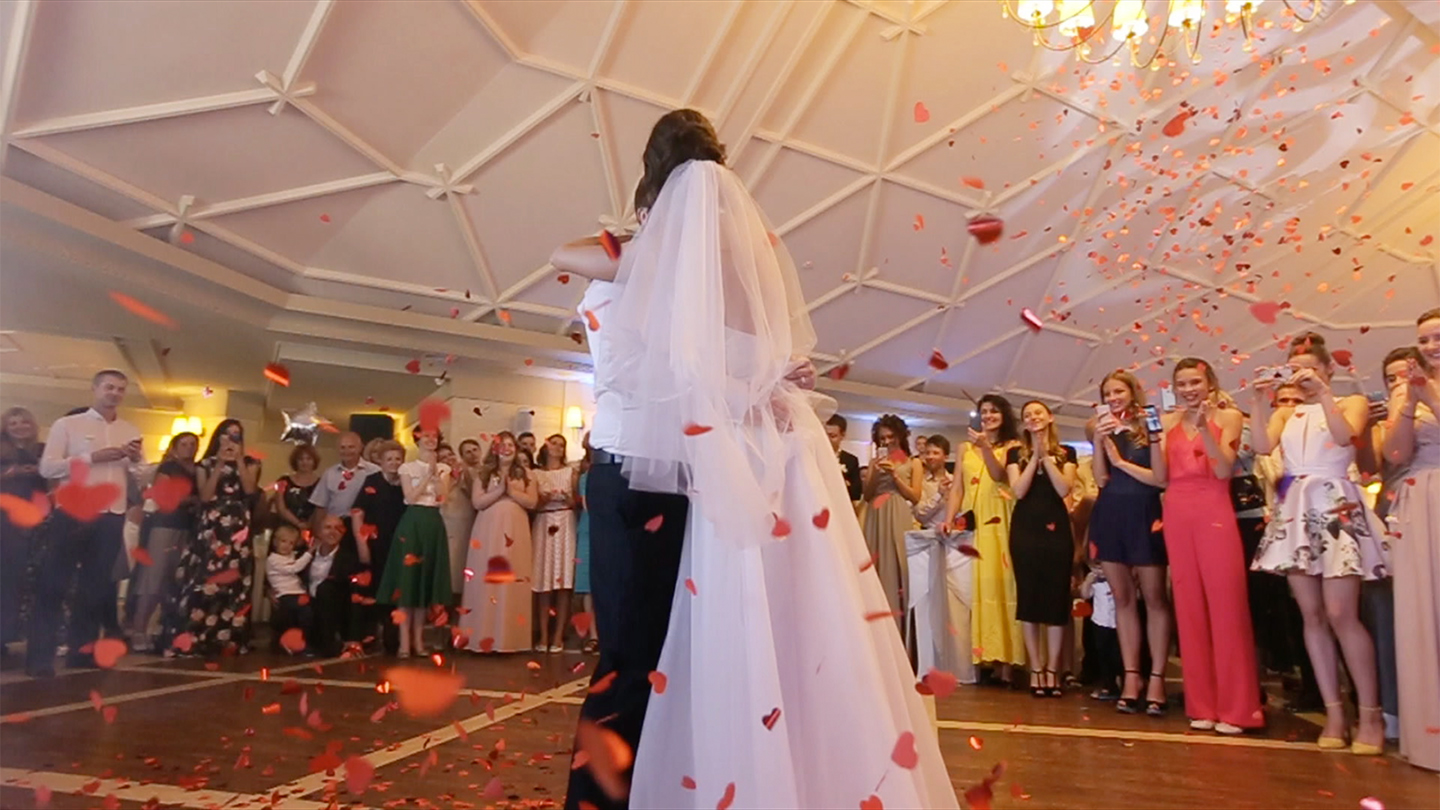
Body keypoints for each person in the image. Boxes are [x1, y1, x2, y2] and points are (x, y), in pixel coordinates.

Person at [565, 109, 956, 809]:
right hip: (661, 476)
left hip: (636, 473)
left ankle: (612, 797)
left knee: (637, 657)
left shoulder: (659, 271)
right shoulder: (677, 269)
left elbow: (570, 263)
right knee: (650, 655)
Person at [1251, 335, 1390, 753]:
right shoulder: (1287, 412)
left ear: (1328, 368)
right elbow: (1260, 445)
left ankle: (1371, 714)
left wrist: (1324, 393)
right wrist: (1259, 401)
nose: (1303, 377)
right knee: (1311, 615)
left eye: (1311, 368)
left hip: (1335, 503)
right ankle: (1334, 714)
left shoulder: (1350, 402)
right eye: (1296, 369)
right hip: (1296, 508)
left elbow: (1346, 437)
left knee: (1341, 613)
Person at [1162, 358, 1263, 735]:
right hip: (1176, 512)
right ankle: (1201, 704)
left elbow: (1223, 469)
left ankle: (1238, 708)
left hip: (1214, 510)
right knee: (1188, 608)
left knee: (1226, 605)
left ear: (1209, 383)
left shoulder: (1231, 417)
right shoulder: (1170, 423)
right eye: (1182, 383)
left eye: (1195, 382)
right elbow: (1161, 476)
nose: (1188, 389)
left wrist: (1205, 429)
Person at [28, 371, 142, 677]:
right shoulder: (68, 425)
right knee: (54, 584)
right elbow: (48, 466)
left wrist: (136, 459)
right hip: (74, 513)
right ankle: (39, 658)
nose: (114, 393)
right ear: (95, 389)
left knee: (95, 588)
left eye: (120, 389)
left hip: (111, 516)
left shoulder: (129, 429)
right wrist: (92, 457)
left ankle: (82, 653)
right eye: (109, 387)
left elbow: (140, 476)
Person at [1087, 370, 1171, 715]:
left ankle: (1157, 678)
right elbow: (1100, 479)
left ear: (1133, 392)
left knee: (1154, 598)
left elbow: (1160, 478)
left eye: (1118, 391)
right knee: (1121, 598)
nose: (1113, 397)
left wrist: (1122, 461)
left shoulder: (1150, 421)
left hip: (1146, 512)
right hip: (1111, 512)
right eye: (1108, 393)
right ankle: (1131, 676)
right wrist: (1099, 444)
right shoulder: (1099, 426)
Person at [1382, 309, 1440, 771]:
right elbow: (1395, 453)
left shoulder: (1425, 387)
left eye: (1438, 336)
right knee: (1422, 612)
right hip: (1419, 501)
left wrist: (1429, 393)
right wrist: (1407, 400)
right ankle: (1428, 734)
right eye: (1424, 338)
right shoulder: (1406, 389)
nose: (1432, 344)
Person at [943, 394, 1025, 684]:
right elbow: (957, 489)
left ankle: (1010, 662)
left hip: (1003, 519)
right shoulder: (964, 447)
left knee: (1005, 587)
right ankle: (987, 656)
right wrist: (950, 517)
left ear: (1004, 416)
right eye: (984, 411)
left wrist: (987, 448)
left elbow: (1000, 475)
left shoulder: (1013, 447)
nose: (988, 416)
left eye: (994, 411)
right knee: (981, 589)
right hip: (977, 523)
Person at [169, 418, 262, 657]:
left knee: (235, 580)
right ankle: (197, 633)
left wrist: (238, 459)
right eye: (227, 435)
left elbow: (250, 491)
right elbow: (206, 495)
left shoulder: (251, 462)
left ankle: (230, 636)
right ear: (218, 437)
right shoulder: (206, 464)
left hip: (238, 526)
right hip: (212, 525)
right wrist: (220, 463)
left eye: (236, 435)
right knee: (206, 578)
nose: (231, 439)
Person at [1006, 401, 1077, 698]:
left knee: (1056, 601)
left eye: (1038, 413)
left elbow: (1064, 489)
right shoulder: (1014, 454)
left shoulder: (1067, 453)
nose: (1033, 418)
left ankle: (1053, 669)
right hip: (1025, 529)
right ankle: (1036, 668)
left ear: (1049, 417)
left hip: (1057, 529)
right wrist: (1033, 457)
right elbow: (1018, 490)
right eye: (1027, 416)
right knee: (1030, 600)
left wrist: (1046, 456)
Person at [458, 431, 537, 653]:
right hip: (488, 530)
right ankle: (482, 637)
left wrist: (511, 491)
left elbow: (532, 502)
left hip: (516, 529)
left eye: (511, 444)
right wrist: (499, 491)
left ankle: (510, 639)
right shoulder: (483, 473)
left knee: (512, 578)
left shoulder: (528, 474)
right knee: (487, 579)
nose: (507, 448)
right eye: (502, 445)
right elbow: (477, 502)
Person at [376, 429, 452, 658]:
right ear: (417, 439)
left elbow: (442, 498)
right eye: (426, 436)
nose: (430, 440)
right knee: (407, 582)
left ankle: (419, 642)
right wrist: (427, 475)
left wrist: (436, 474)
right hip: (413, 522)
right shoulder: (406, 468)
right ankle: (403, 643)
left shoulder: (445, 469)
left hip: (432, 523)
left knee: (423, 584)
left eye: (434, 437)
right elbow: (409, 497)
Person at [904, 435, 973, 684]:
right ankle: (931, 662)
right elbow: (920, 513)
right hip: (927, 546)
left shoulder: (959, 479)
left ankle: (962, 662)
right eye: (928, 453)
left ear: (946, 455)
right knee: (928, 605)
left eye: (936, 453)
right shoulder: (921, 482)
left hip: (956, 545)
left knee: (960, 603)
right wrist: (938, 496)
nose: (931, 457)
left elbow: (966, 508)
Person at [128, 431, 199, 652]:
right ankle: (138, 629)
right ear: (175, 447)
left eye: (192, 444)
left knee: (174, 580)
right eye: (184, 444)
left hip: (187, 527)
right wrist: (192, 500)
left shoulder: (198, 470)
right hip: (165, 525)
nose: (188, 447)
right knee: (154, 578)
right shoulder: (168, 468)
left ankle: (162, 628)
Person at [862, 413, 921, 631]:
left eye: (890, 437)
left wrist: (895, 476)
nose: (887, 442)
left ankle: (901, 628)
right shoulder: (874, 462)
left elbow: (915, 496)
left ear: (900, 436)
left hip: (898, 513)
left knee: (899, 567)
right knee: (876, 565)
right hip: (875, 514)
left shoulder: (913, 462)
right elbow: (867, 495)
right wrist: (876, 473)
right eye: (882, 438)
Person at [351, 441, 406, 654]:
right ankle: (367, 636)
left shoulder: (405, 483)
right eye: (389, 459)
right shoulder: (371, 481)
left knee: (395, 592)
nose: (394, 463)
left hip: (398, 546)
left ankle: (392, 640)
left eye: (397, 459)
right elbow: (358, 513)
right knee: (371, 591)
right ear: (381, 462)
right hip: (374, 544)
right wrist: (361, 543)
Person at [1, 407, 46, 654]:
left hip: (30, 521)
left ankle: (7, 633)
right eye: (13, 423)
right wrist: (12, 472)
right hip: (3, 519)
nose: (19, 426)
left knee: (17, 580)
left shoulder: (41, 451)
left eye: (24, 421)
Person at [532, 434, 578, 652]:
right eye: (554, 443)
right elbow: (533, 504)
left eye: (562, 444)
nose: (558, 448)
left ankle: (558, 635)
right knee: (543, 581)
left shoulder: (571, 472)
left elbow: (577, 503)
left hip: (565, 520)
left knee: (563, 581)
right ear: (546, 446)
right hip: (544, 521)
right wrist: (545, 498)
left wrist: (567, 498)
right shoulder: (536, 473)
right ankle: (543, 634)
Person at [265, 524, 313, 653]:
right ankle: (295, 642)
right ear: (275, 542)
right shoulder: (273, 559)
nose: (287, 546)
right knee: (302, 612)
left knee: (307, 614)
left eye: (291, 543)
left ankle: (302, 641)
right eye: (283, 541)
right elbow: (293, 568)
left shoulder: (290, 555)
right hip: (285, 594)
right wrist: (309, 553)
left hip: (297, 592)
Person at [437, 442, 476, 598]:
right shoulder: (438, 476)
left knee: (463, 562)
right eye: (443, 457)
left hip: (465, 521)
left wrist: (463, 474)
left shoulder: (466, 472)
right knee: (448, 564)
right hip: (446, 522)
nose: (448, 459)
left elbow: (474, 495)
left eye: (450, 455)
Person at [306, 514, 347, 657]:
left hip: (333, 605)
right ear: (319, 531)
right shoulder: (306, 554)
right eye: (328, 527)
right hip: (307, 601)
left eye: (337, 528)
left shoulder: (348, 557)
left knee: (325, 589)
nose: (332, 532)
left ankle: (328, 644)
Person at [574, 435, 597, 654]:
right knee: (588, 584)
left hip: (607, 529)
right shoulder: (585, 477)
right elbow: (588, 505)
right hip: (590, 529)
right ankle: (593, 635)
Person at [273, 444, 321, 533]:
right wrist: (298, 523)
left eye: (308, 459)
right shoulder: (283, 481)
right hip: (284, 531)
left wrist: (308, 525)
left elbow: (321, 509)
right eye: (301, 459)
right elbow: (280, 508)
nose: (304, 462)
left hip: (312, 531)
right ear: (295, 461)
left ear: (314, 461)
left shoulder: (321, 484)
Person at [825, 414, 863, 503]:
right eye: (825, 435)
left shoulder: (851, 460)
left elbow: (856, 493)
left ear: (842, 435)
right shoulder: (814, 456)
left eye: (832, 436)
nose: (827, 440)